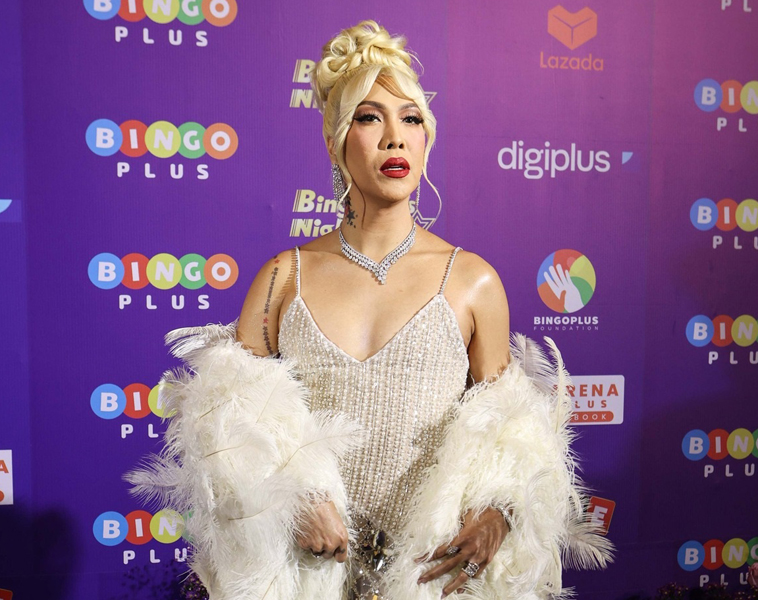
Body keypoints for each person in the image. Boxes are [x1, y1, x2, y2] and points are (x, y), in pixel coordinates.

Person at [126, 20, 613, 600]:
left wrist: (501, 511)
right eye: (369, 118)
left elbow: (513, 432)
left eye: (411, 119)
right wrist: (288, 495)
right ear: (337, 141)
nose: (394, 138)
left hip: (432, 580)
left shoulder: (472, 281)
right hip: (305, 577)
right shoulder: (284, 278)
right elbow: (226, 426)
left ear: (427, 139)